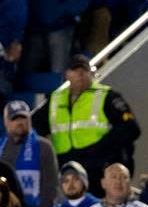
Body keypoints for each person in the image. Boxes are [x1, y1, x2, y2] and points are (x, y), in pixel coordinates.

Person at [40, 56, 139, 196]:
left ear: (90, 73)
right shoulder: (55, 99)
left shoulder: (105, 95)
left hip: (98, 170)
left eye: (84, 69)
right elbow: (35, 128)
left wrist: (100, 150)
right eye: (75, 69)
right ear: (66, 74)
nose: (80, 73)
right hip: (67, 171)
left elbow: (131, 128)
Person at [1, 99, 59, 207]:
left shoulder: (44, 147)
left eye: (23, 118)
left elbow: (50, 187)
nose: (20, 122)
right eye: (14, 118)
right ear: (5, 122)